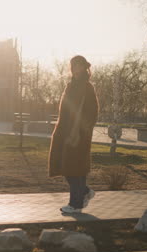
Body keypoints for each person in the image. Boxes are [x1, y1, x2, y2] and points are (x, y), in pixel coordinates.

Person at [48, 55, 99, 213]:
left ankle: (75, 204)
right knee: (66, 167)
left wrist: (83, 131)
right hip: (64, 131)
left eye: (78, 65)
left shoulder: (87, 87)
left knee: (75, 169)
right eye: (73, 65)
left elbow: (93, 112)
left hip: (79, 134)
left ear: (84, 67)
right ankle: (84, 192)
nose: (75, 68)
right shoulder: (70, 86)